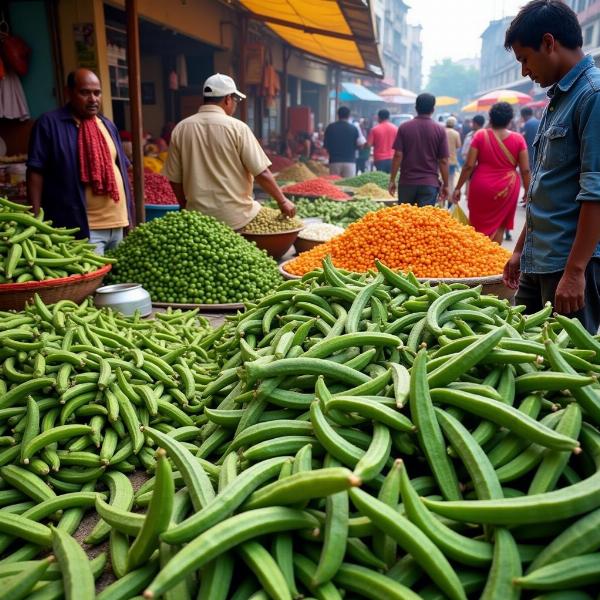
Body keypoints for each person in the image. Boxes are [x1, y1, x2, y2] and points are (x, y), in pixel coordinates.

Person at [503, 0, 600, 333]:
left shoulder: (593, 95)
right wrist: (519, 250)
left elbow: (596, 193)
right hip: (538, 260)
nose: (524, 71)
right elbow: (546, 185)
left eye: (525, 59)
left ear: (549, 42)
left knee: (566, 370)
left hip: (570, 267)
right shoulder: (558, 99)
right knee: (523, 357)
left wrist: (574, 272)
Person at [163, 73, 295, 231]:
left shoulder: (181, 129)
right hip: (238, 219)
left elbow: (174, 179)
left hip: (196, 220)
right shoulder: (238, 128)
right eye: (236, 100)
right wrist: (283, 201)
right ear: (227, 99)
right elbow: (261, 173)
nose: (235, 104)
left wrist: (186, 208)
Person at [26, 69, 134, 254]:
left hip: (118, 224)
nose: (93, 99)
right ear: (69, 92)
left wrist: (129, 218)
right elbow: (35, 172)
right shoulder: (50, 124)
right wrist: (35, 219)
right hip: (81, 228)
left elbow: (121, 170)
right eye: (85, 92)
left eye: (97, 93)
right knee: (92, 283)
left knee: (119, 281)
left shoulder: (107, 125)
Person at [452, 102, 530, 244]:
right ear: (510, 120)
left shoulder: (480, 135)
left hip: (480, 186)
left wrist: (458, 187)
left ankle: (477, 258)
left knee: (476, 226)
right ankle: (492, 262)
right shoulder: (518, 139)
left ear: (490, 117)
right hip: (507, 187)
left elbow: (469, 165)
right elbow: (525, 170)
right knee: (500, 226)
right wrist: (527, 191)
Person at [389, 93, 450, 207]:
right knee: (423, 221)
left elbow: (398, 155)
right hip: (429, 184)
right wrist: (446, 185)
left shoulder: (404, 127)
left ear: (416, 108)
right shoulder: (439, 130)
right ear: (433, 109)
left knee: (405, 220)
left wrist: (392, 179)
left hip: (407, 183)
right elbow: (443, 161)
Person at [324, 106, 365, 178]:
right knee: (348, 185)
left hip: (334, 161)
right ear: (349, 115)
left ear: (338, 115)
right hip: (350, 162)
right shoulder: (354, 128)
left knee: (334, 186)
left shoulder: (330, 127)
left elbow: (326, 146)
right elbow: (361, 145)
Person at [367, 109, 397, 173]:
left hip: (380, 159)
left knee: (381, 179)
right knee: (391, 179)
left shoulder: (375, 129)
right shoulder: (395, 129)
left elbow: (368, 145)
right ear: (388, 117)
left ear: (378, 117)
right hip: (393, 158)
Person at [445, 116, 462, 196]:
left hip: (442, 160)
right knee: (451, 180)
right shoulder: (456, 133)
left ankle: (441, 200)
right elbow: (459, 145)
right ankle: (450, 198)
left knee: (441, 179)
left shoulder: (442, 132)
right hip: (452, 160)